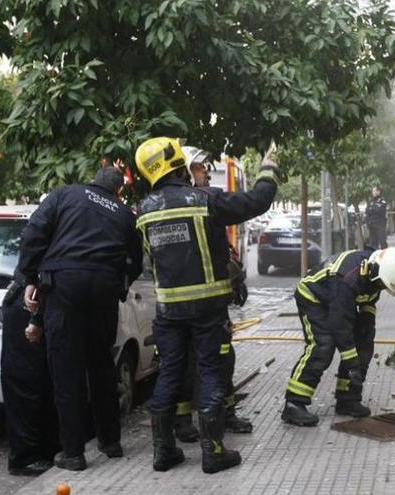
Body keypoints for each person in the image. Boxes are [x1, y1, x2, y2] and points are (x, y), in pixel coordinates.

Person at [134, 137, 279, 474]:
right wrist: (269, 168)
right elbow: (257, 201)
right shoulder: (204, 199)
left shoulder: (144, 211)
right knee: (211, 371)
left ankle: (163, 452)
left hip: (168, 311)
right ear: (178, 165)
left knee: (169, 373)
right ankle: (213, 452)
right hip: (207, 308)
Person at [16, 167, 143, 471]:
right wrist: (120, 287)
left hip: (64, 286)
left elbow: (34, 233)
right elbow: (135, 262)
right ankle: (110, 442)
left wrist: (28, 277)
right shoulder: (125, 215)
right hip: (103, 290)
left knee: (67, 369)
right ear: (118, 191)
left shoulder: (64, 194)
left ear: (92, 181)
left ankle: (73, 453)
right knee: (102, 365)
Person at [169, 157, 255, 440]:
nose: (207, 178)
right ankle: (185, 422)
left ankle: (224, 415)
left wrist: (237, 277)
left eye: (206, 173)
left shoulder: (206, 202)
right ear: (189, 176)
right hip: (192, 301)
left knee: (222, 358)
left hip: (207, 300)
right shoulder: (191, 203)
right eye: (202, 174)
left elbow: (222, 247)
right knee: (190, 362)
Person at [281, 247, 395, 426]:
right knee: (323, 346)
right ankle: (294, 403)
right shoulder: (347, 278)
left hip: (340, 302)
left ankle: (348, 399)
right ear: (375, 271)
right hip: (313, 297)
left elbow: (368, 302)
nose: (381, 287)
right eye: (382, 284)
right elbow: (340, 324)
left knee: (363, 345)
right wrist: (351, 363)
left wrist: (365, 336)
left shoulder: (377, 274)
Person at [0, 277, 59, 476]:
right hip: (29, 301)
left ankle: (44, 451)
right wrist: (36, 318)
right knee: (26, 382)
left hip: (30, 297)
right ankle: (25, 458)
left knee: (41, 380)